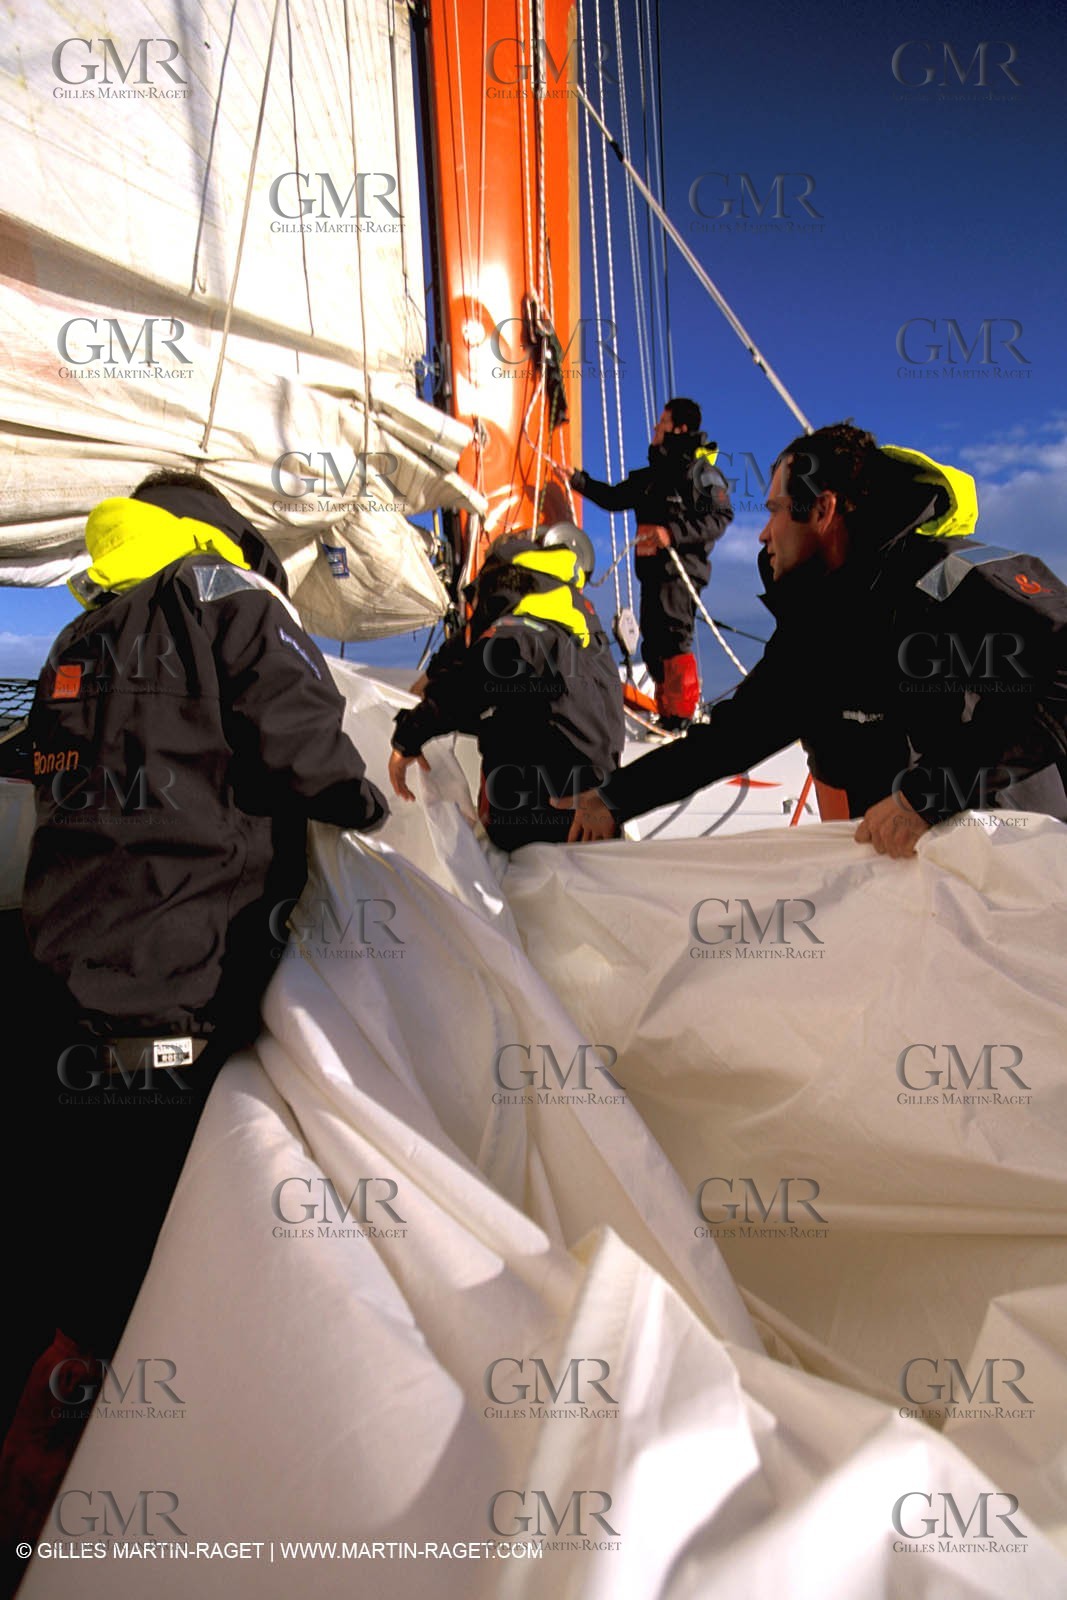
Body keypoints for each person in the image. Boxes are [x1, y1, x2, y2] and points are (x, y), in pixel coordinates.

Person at [2, 469, 388, 1549]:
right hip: (177, 1009)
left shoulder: (88, 625)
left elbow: (52, 771)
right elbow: (313, 752)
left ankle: (44, 1467)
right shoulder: (224, 593)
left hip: (66, 995)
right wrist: (361, 804)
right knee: (158, 1292)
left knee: (84, 1280)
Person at [554, 422, 1067, 857]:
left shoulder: (947, 581)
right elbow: (734, 739)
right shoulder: (819, 630)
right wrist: (612, 798)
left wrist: (926, 798)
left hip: (1012, 895)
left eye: (775, 510)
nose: (761, 533)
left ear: (822, 510)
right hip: (910, 909)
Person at [388, 527, 624, 849]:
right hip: (591, 807)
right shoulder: (569, 611)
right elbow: (482, 645)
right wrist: (436, 673)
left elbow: (483, 671)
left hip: (547, 820)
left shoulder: (523, 628)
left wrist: (409, 735)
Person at [570, 397, 733, 729]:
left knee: (674, 640)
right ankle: (666, 712)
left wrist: (670, 534)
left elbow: (721, 517)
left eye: (662, 420)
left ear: (679, 428)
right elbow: (615, 497)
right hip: (652, 574)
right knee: (654, 643)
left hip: (680, 572)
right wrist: (578, 481)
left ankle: (680, 717)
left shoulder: (702, 473)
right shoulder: (652, 476)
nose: (656, 426)